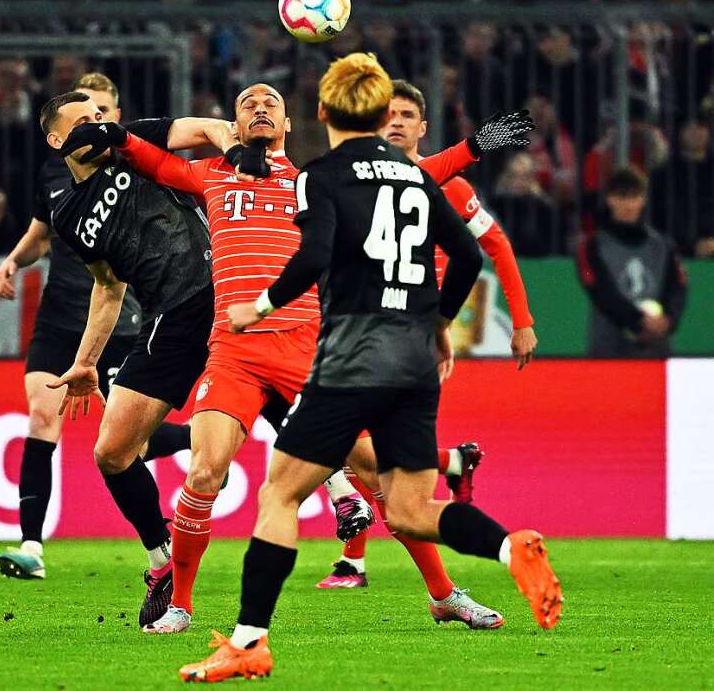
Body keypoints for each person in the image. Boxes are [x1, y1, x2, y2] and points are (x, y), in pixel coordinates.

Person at [89, 82, 532, 633]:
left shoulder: (312, 183)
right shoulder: (211, 175)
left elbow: (410, 176)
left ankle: (443, 594)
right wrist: (112, 134)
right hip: (234, 353)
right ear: (233, 121)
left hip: (307, 351)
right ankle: (180, 602)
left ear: (289, 124)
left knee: (379, 474)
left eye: (270, 103)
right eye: (247, 103)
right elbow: (149, 158)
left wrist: (474, 146)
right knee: (203, 471)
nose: (259, 108)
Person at [178, 53, 562, 683]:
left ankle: (249, 643)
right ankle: (506, 546)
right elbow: (466, 255)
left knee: (279, 493)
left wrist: (263, 304)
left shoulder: (318, 176)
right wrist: (437, 325)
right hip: (411, 358)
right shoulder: (416, 179)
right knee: (409, 508)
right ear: (386, 116)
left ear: (322, 112)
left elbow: (316, 254)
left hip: (350, 351)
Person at [0, 73, 225, 585]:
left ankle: (358, 493)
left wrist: (241, 151)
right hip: (170, 318)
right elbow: (109, 288)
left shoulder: (135, 140)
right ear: (57, 140)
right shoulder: (69, 213)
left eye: (101, 117)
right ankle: (162, 561)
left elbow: (208, 128)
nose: (97, 126)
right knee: (114, 452)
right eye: (83, 121)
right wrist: (84, 361)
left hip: (220, 293)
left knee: (299, 415)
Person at [316, 79, 538, 600]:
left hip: (411, 333)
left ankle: (372, 558)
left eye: (406, 114)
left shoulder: (449, 186)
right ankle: (444, 471)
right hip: (363, 324)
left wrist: (520, 320)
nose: (395, 121)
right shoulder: (359, 179)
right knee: (359, 447)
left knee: (353, 444)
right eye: (387, 113)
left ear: (422, 127)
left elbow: (494, 248)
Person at [577, 166, 688, 359]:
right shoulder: (591, 245)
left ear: (643, 200)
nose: (628, 205)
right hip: (609, 348)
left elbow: (678, 286)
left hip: (656, 346)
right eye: (621, 197)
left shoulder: (663, 245)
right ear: (610, 200)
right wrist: (638, 321)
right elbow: (600, 290)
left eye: (634, 197)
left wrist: (669, 319)